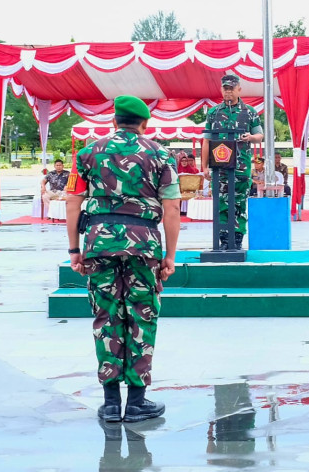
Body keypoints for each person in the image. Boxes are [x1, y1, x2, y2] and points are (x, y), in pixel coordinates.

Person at [66, 95, 181, 424]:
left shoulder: (87, 153)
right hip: (144, 247)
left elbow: (73, 203)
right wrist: (169, 256)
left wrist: (75, 250)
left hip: (98, 245)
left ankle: (112, 403)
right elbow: (171, 208)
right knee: (141, 317)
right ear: (144, 123)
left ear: (115, 121)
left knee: (106, 318)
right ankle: (137, 402)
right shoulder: (160, 154)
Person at [201, 74, 263, 250]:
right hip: (219, 168)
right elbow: (206, 140)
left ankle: (237, 239)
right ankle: (222, 239)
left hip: (241, 168)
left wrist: (251, 137)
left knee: (239, 203)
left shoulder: (249, 112)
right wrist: (204, 166)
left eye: (231, 88)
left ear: (239, 89)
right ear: (221, 90)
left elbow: (260, 135)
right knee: (220, 203)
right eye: (225, 88)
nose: (228, 91)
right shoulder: (214, 113)